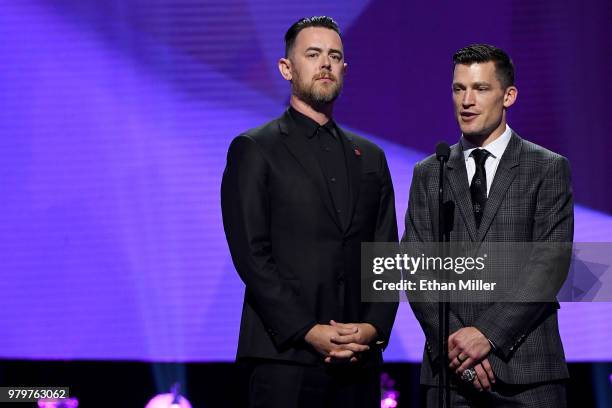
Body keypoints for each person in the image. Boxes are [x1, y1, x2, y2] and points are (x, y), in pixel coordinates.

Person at [221, 16, 398, 407]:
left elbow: (386, 254)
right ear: (287, 68)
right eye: (313, 54)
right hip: (283, 357)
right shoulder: (255, 148)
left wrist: (371, 327)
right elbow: (251, 254)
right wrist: (306, 329)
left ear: (345, 70)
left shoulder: (370, 156)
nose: (325, 64)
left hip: (358, 360)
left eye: (335, 56)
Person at [403, 44, 573, 406]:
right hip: (448, 375)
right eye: (458, 88)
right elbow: (415, 269)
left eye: (480, 89)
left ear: (508, 95)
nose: (466, 100)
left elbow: (549, 264)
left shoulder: (546, 168)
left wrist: (487, 335)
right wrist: (456, 345)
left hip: (529, 374)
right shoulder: (429, 172)